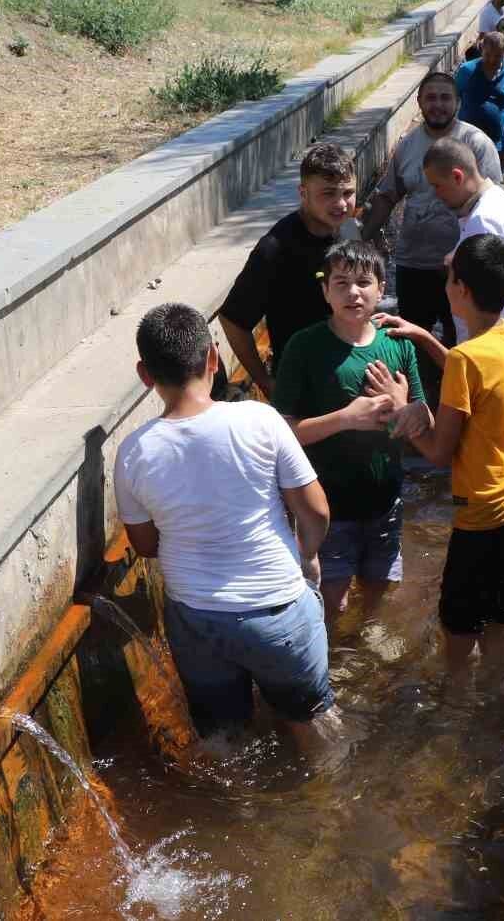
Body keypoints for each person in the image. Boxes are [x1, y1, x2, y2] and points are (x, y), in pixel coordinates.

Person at [114, 303, 339, 750]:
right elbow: (316, 512)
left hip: (198, 622)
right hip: (280, 610)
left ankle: (240, 816)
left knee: (224, 744)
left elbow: (145, 545)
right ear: (214, 359)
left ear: (145, 374)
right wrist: (307, 556)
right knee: (316, 728)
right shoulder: (260, 419)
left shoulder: (133, 452)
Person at [376, 235, 504, 674]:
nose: (446, 282)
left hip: (483, 514)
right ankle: (500, 688)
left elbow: (437, 452)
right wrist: (424, 338)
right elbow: (470, 368)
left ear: (461, 290)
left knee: (459, 621)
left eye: (450, 276)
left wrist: (403, 410)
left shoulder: (467, 361)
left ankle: (456, 699)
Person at [273, 241, 425, 624]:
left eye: (363, 282)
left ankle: (367, 653)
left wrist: (405, 407)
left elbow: (426, 425)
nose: (353, 292)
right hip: (328, 507)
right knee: (333, 602)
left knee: (380, 591)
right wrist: (345, 418)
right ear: (325, 291)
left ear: (382, 289)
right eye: (340, 283)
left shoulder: (397, 343)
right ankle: (336, 661)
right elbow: (280, 435)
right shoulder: (304, 347)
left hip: (386, 501)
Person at [362, 72, 502, 356]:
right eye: (431, 98)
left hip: (461, 267)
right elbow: (389, 195)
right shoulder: (408, 146)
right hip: (413, 262)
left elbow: (493, 199)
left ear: (458, 103)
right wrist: (362, 238)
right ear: (419, 103)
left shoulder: (476, 143)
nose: (438, 104)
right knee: (411, 343)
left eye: (445, 98)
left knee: (461, 342)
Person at [221, 142, 356, 399]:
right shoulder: (274, 250)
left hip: (347, 374)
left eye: (348, 193)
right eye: (328, 194)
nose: (341, 204)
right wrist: (266, 382)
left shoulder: (347, 230)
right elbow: (232, 321)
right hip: (301, 386)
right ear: (303, 193)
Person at [421, 137, 504, 356]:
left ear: (457, 176)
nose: (436, 194)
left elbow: (480, 296)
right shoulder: (499, 201)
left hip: (490, 352)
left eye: (437, 186)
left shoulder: (483, 220)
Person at [455, 31, 504, 160]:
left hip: (498, 144)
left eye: (497, 56)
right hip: (467, 142)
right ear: (481, 50)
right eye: (487, 55)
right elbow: (453, 98)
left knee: (496, 179)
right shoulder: (466, 71)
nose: (491, 60)